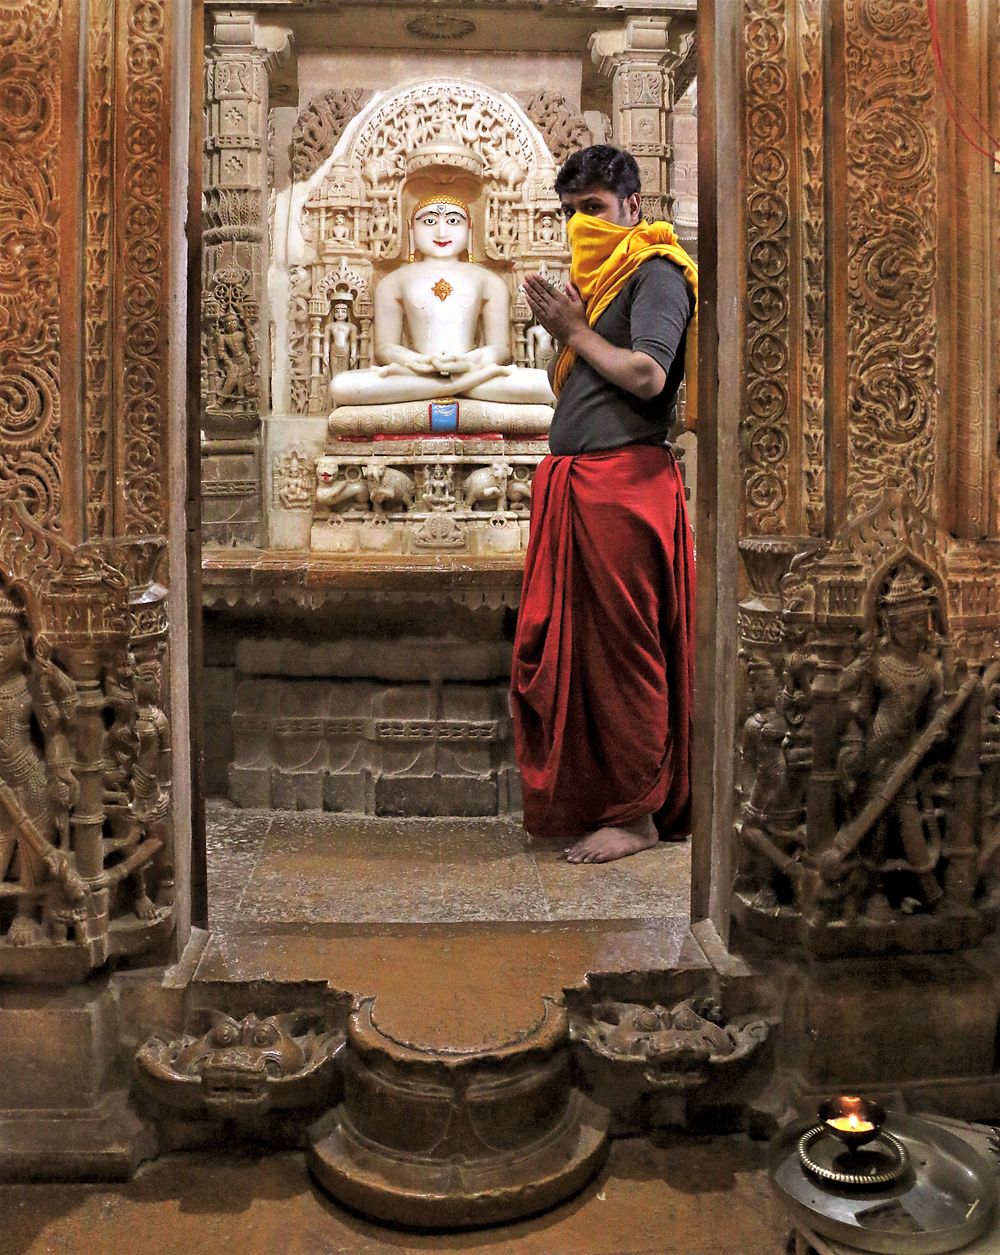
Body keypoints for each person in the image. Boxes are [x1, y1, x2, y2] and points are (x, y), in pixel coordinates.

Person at [511, 144, 698, 863]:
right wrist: (575, 328)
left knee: (627, 652)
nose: (580, 224)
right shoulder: (604, 280)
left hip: (625, 488)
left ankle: (639, 813)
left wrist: (574, 331)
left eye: (592, 209)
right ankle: (610, 795)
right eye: (570, 213)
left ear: (632, 207)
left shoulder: (657, 272)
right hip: (588, 486)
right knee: (588, 655)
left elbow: (649, 376)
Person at [330, 195, 552, 407]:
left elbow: (501, 349)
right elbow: (385, 348)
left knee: (545, 385)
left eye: (453, 220)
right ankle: (456, 387)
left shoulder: (489, 280)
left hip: (471, 368)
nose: (442, 231)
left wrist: (469, 363)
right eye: (429, 221)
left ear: (470, 228)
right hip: (417, 371)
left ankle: (438, 387)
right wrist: (417, 362)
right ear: (411, 229)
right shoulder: (393, 281)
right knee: (341, 386)